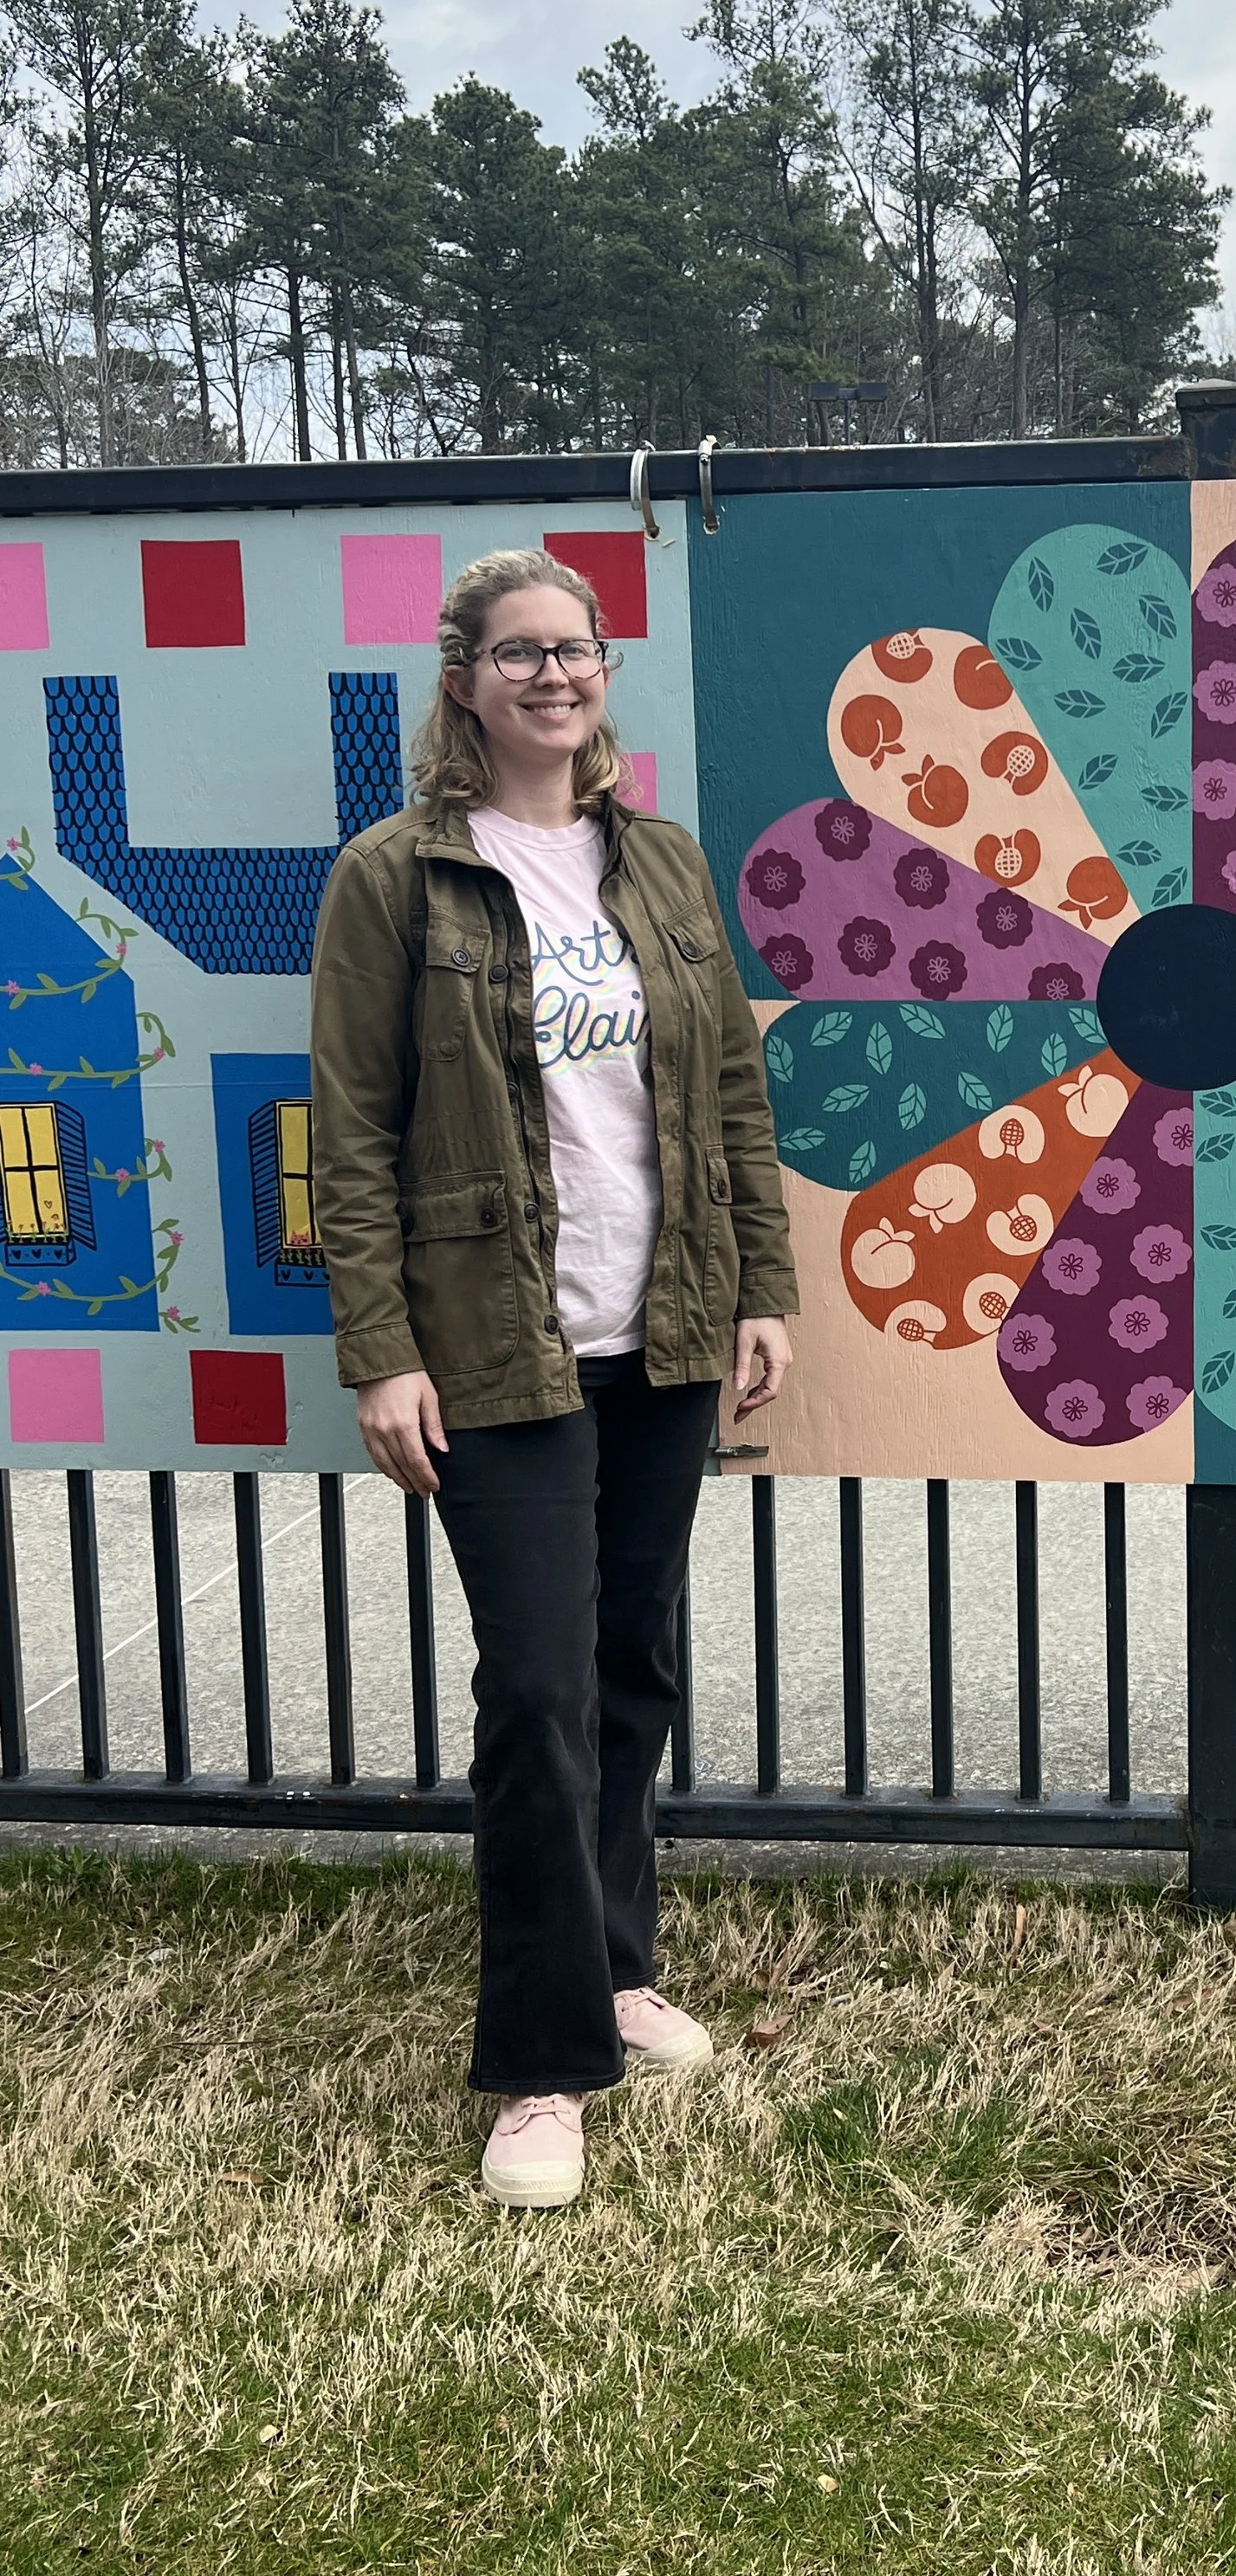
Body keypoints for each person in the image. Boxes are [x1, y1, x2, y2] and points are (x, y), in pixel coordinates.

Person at [309, 546, 797, 2210]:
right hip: (496, 1345)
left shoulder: (658, 864)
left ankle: (612, 1959)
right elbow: (354, 1140)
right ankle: (538, 2060)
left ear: (602, 676)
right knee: (532, 1695)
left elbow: (729, 1088)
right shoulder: (399, 876)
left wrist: (762, 1291)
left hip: (660, 1328)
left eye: (573, 650)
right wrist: (381, 1350)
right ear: (464, 679)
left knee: (626, 1669)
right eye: (515, 653)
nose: (550, 676)